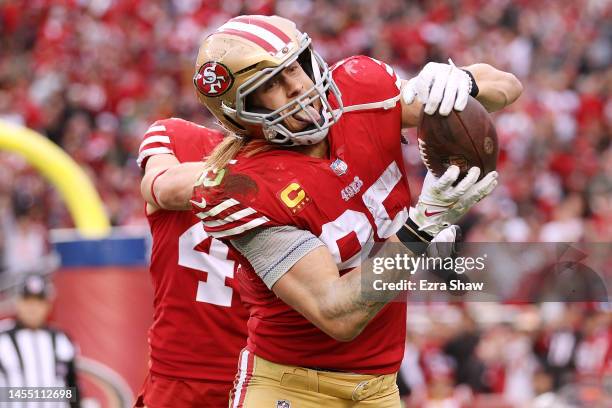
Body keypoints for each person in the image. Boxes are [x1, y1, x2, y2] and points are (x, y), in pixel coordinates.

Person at [191, 15, 522, 407]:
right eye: (270, 84)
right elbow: (338, 314)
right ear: (240, 112)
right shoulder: (245, 187)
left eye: (295, 66)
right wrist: (423, 225)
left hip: (379, 384)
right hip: (293, 388)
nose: (297, 85)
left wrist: (462, 84)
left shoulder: (362, 91)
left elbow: (508, 86)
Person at [135, 118, 249, 407]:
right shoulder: (177, 136)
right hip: (187, 370)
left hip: (277, 372)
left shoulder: (316, 166)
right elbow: (162, 189)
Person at [0, 274, 81, 408]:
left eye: (38, 302)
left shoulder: (62, 339)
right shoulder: (3, 338)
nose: (33, 308)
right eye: (28, 301)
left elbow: (72, 388)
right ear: (18, 302)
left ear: (47, 305)